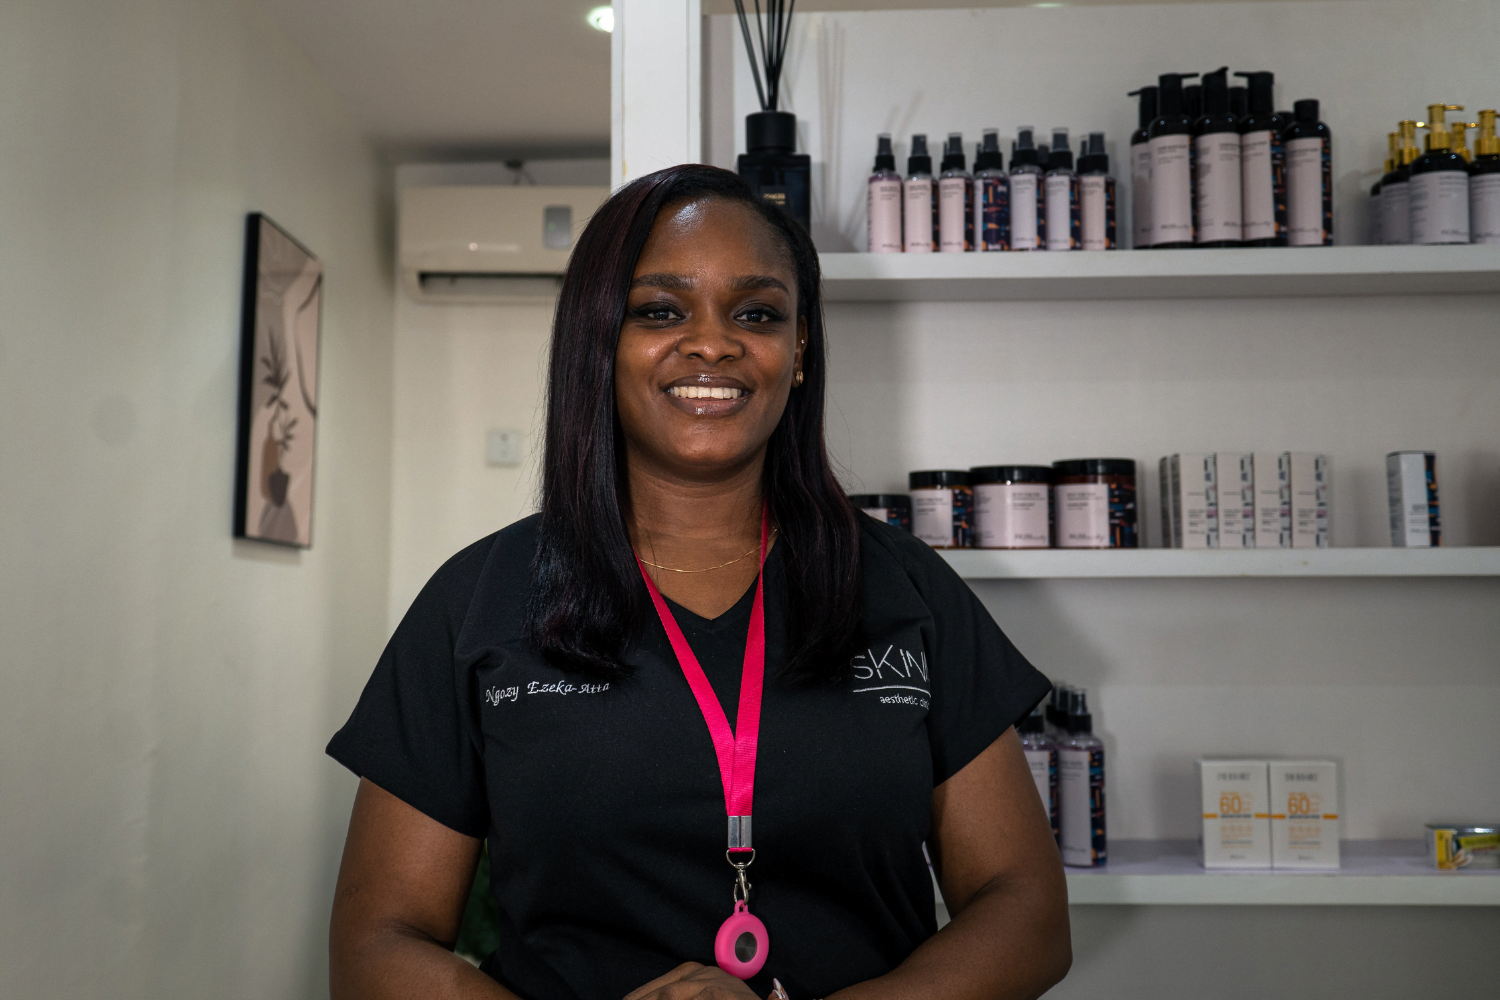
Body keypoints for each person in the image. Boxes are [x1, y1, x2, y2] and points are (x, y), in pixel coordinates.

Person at [327, 164, 1070, 1000]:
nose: (713, 343)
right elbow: (376, 944)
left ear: (798, 354)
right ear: (597, 343)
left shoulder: (903, 589)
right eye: (659, 311)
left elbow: (1028, 911)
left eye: (756, 313)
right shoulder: (479, 601)